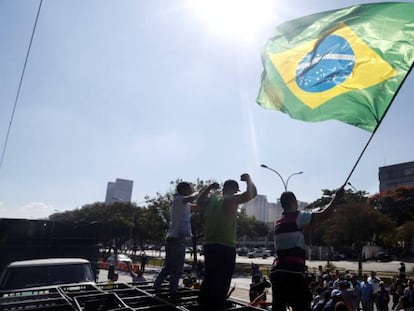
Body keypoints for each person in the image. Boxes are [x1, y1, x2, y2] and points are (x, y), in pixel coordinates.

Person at [270, 187, 344, 311]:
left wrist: (325, 215)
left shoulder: (278, 221)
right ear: (294, 202)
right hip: (293, 274)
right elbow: (324, 215)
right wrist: (336, 198)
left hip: (277, 274)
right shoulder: (297, 216)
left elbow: (311, 224)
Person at [197, 173, 257, 311]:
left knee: (210, 277)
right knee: (222, 281)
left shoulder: (212, 201)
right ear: (233, 190)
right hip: (225, 247)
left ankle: (203, 304)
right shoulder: (230, 199)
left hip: (209, 245)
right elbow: (252, 194)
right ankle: (217, 306)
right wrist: (248, 180)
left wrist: (209, 188)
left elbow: (199, 201)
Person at [153, 182, 199, 297]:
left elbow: (198, 207)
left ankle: (157, 285)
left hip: (173, 238)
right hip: (177, 239)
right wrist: (203, 190)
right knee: (177, 268)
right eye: (189, 188)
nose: (191, 190)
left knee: (169, 266)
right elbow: (193, 197)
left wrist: (207, 197)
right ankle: (173, 291)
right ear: (183, 189)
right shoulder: (179, 200)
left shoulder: (184, 204)